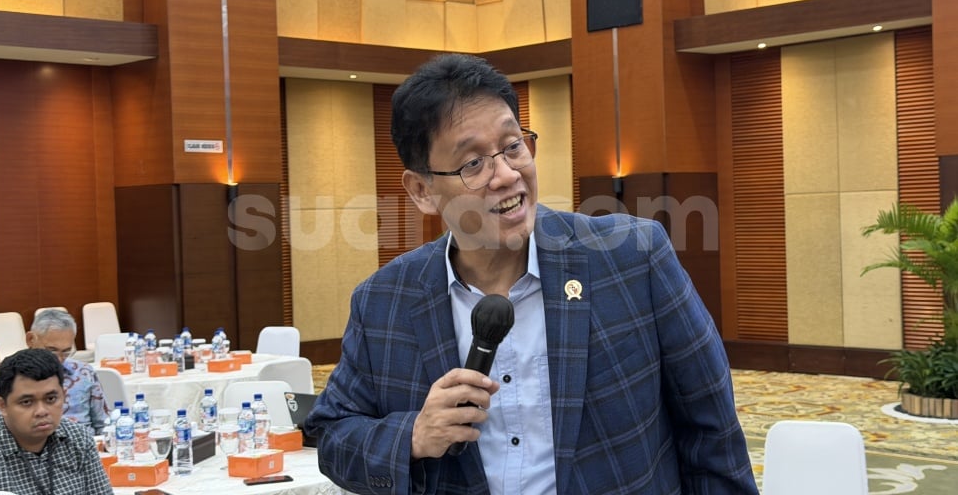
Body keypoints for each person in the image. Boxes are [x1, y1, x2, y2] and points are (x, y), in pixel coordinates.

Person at [307, 53, 759, 494]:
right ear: (422, 190)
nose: (506, 175)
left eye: (512, 146)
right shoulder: (384, 301)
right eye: (473, 163)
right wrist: (413, 435)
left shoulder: (633, 258)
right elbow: (332, 435)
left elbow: (712, 431)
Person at [0, 348, 113, 494]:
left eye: (51, 399)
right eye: (27, 402)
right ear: (2, 405)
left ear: (64, 396)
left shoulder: (79, 439)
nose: (41, 411)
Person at [0, 309, 110, 434]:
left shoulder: (84, 372)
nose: (59, 359)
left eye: (66, 352)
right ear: (30, 339)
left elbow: (103, 424)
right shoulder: (2, 381)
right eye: (52, 350)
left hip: (85, 442)